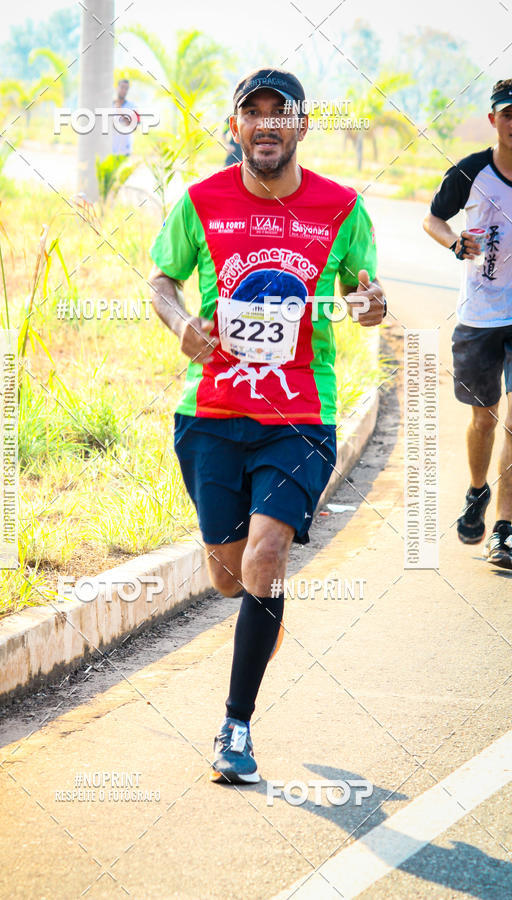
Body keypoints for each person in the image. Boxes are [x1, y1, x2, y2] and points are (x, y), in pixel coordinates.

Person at [149, 68, 386, 784]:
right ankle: (263, 613)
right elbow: (161, 279)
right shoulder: (199, 202)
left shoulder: (342, 209)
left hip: (299, 414)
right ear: (236, 127)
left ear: (300, 128)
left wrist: (369, 304)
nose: (266, 124)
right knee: (231, 577)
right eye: (252, 113)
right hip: (211, 413)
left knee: (266, 554)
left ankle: (236, 726)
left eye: (279, 114)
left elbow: (363, 292)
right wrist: (181, 323)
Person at [423, 79, 512, 569]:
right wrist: (455, 242)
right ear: (494, 119)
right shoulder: (472, 171)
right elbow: (433, 219)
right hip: (479, 318)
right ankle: (477, 490)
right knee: (484, 418)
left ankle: (504, 528)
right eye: (509, 113)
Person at [111, 77, 138, 157]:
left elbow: (134, 127)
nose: (124, 90)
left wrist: (121, 112)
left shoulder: (132, 106)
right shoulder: (109, 105)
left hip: (125, 149)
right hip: (110, 148)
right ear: (116, 88)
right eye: (122, 87)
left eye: (126, 88)